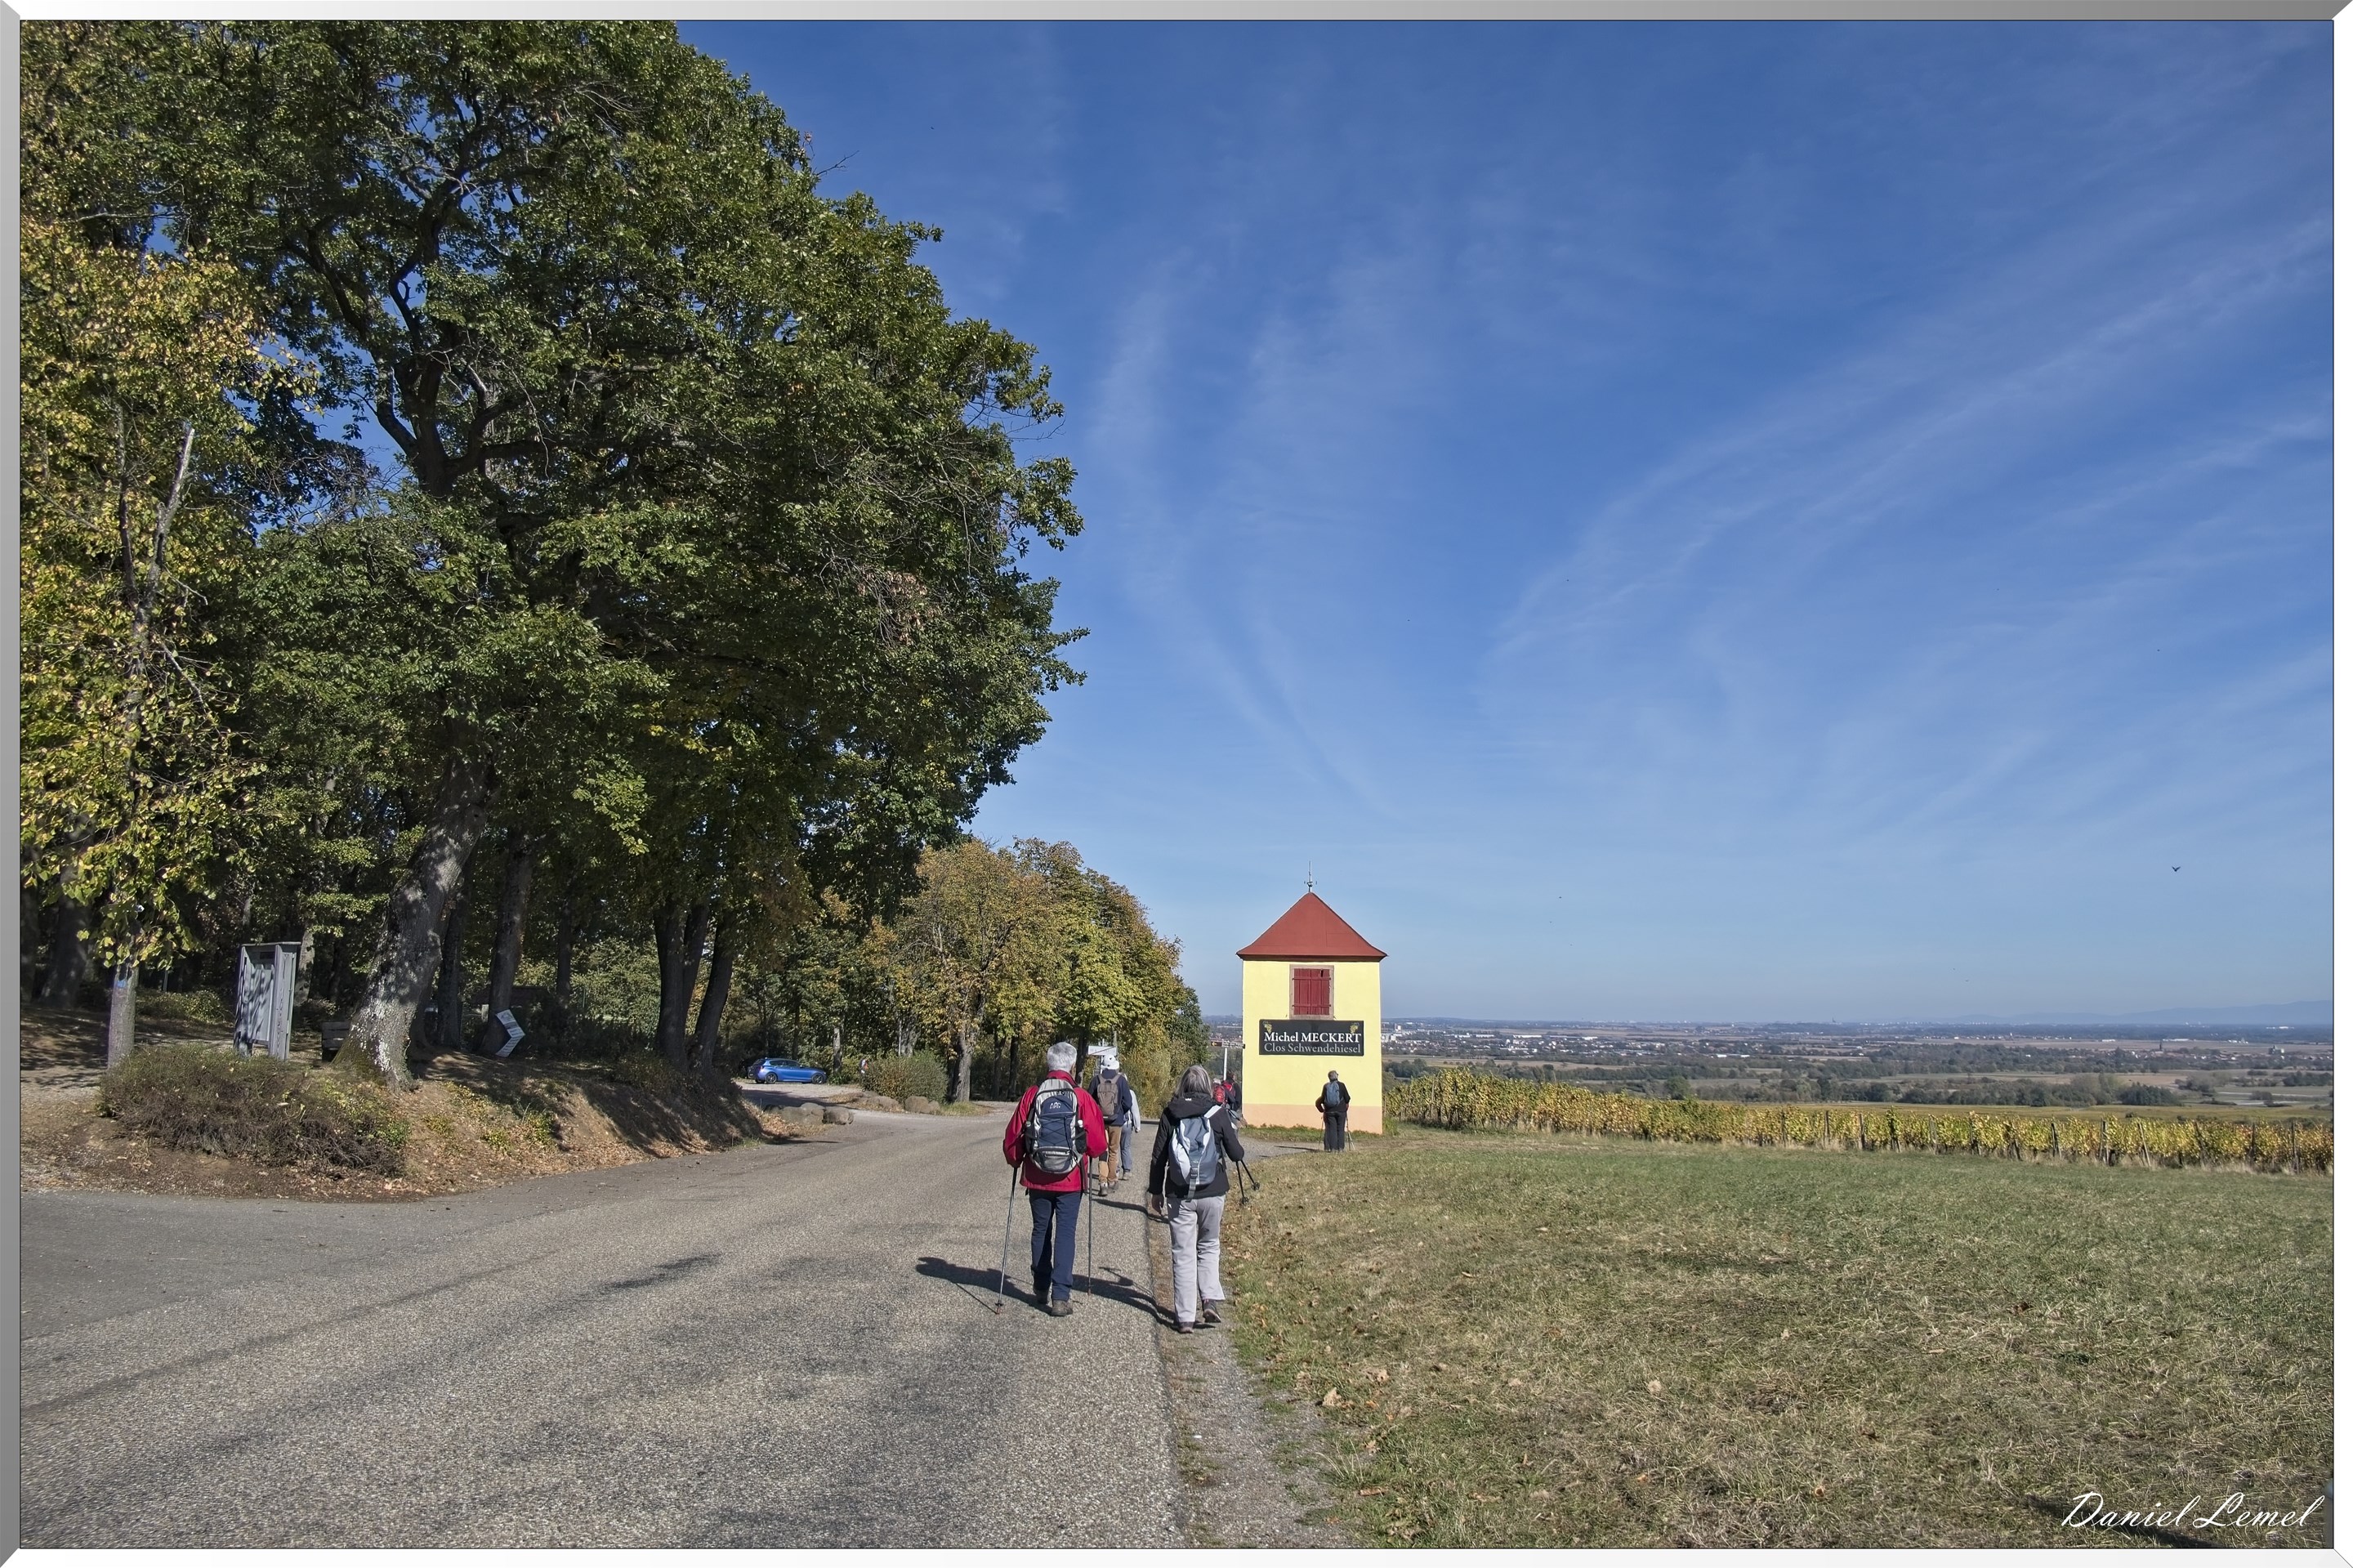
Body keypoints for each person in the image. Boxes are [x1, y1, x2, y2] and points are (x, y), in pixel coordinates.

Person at [1002, 1041, 1108, 1316]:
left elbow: (1014, 1138)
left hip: (1037, 1176)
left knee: (1041, 1230)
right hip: (1071, 1179)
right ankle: (1060, 1296)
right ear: (1072, 1066)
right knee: (1065, 1233)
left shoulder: (1033, 1095)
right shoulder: (1081, 1097)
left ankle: (1040, 1286)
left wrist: (1016, 1160)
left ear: (1048, 1064)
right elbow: (1097, 1145)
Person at [1148, 1063, 1249, 1334]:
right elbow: (1237, 1153)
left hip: (1179, 1193)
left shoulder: (1171, 1113)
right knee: (1209, 1245)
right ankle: (1210, 1300)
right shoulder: (1216, 1114)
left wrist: (1155, 1191)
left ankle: (1184, 1318)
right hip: (1213, 1191)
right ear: (1206, 1086)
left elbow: (1158, 1157)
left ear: (1183, 1085)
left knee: (1183, 1252)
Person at [1089, 1053, 1132, 1195]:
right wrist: (1119, 1112)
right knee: (1114, 1151)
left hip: (1100, 1122)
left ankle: (1103, 1183)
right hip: (1116, 1121)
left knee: (1103, 1151)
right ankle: (1112, 1180)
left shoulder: (1096, 1080)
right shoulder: (1121, 1080)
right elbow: (1128, 1103)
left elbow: (1089, 1101)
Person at [1318, 1070, 1351, 1151]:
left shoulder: (1326, 1086)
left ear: (1329, 1077)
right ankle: (1340, 1148)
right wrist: (1345, 1104)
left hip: (1330, 1111)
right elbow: (1347, 1098)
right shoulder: (1341, 1085)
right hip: (1341, 1110)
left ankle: (1333, 1148)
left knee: (1332, 1129)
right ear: (1336, 1076)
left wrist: (1322, 1108)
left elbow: (1323, 1099)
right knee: (1340, 1129)